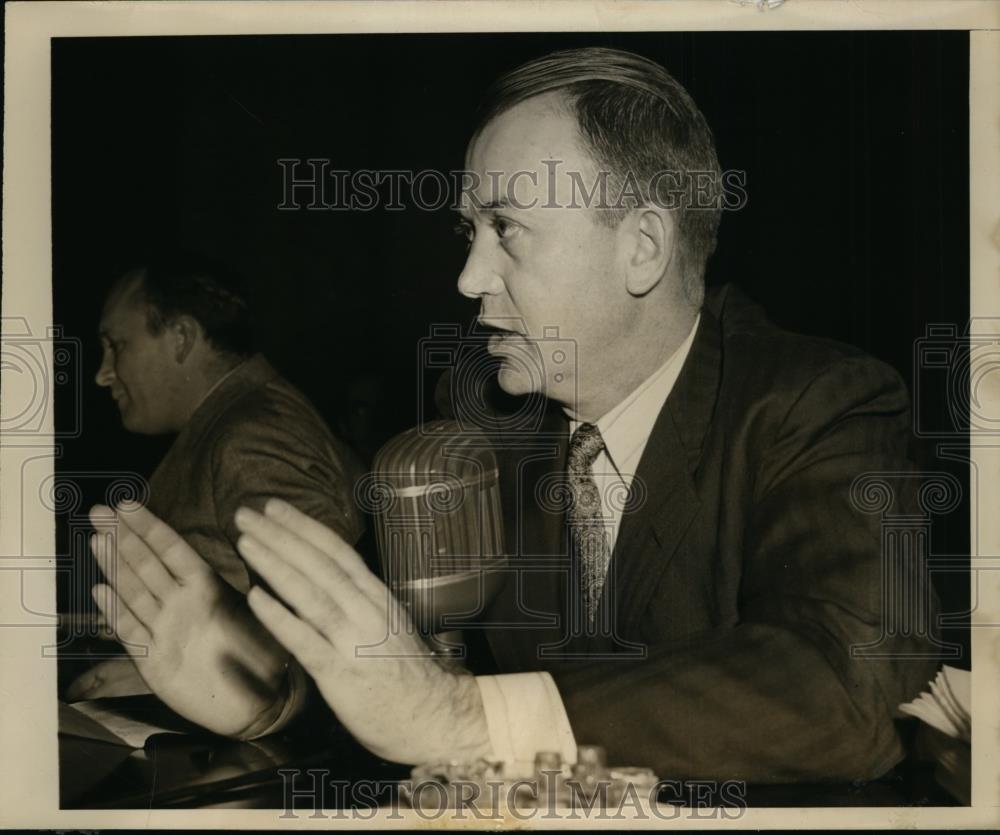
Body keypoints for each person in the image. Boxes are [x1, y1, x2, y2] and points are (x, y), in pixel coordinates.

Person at [87, 49, 940, 782]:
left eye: (507, 228)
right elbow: (409, 693)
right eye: (469, 231)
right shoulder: (487, 441)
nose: (467, 278)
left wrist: (464, 720)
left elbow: (855, 687)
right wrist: (267, 695)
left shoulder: (822, 402)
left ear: (641, 246)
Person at [66, 254, 364, 705]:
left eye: (116, 346)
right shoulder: (237, 421)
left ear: (182, 338)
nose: (103, 372)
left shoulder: (250, 433)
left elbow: (323, 622)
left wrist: (168, 679)